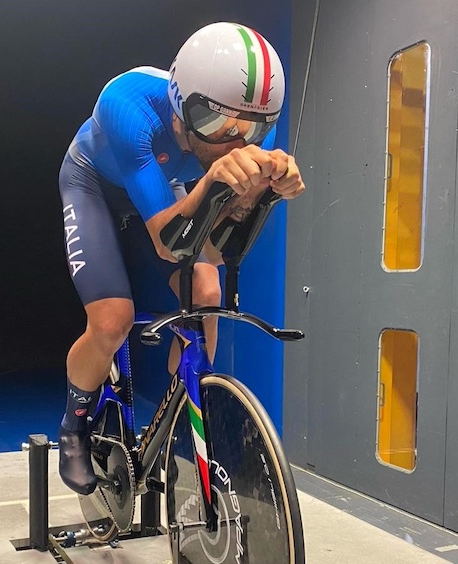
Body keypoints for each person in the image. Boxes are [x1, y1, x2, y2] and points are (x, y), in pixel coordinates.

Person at [56, 21, 306, 495]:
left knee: (207, 291)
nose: (237, 143)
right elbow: (169, 243)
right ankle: (74, 424)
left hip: (162, 185)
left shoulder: (245, 132)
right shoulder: (126, 105)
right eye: (217, 127)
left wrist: (263, 196)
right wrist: (215, 185)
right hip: (96, 184)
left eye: (253, 129)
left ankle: (177, 415)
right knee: (112, 321)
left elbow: (213, 249)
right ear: (180, 113)